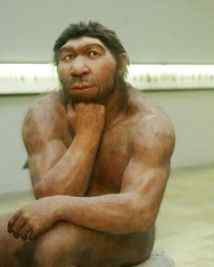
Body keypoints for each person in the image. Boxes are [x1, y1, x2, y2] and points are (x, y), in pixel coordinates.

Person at [0, 21, 175, 267]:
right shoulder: (44, 114)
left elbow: (139, 211)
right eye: (67, 57)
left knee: (54, 248)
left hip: (125, 232)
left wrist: (59, 207)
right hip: (61, 218)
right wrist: (86, 136)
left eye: (93, 54)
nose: (78, 68)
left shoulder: (150, 124)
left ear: (121, 63)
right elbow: (49, 195)